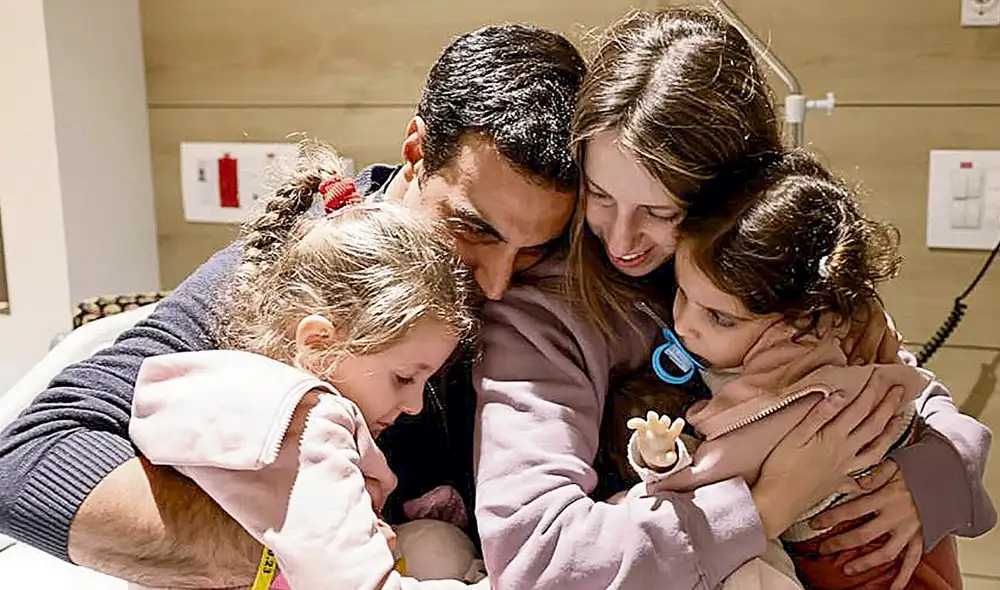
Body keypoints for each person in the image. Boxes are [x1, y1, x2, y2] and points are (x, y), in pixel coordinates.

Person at [0, 24, 583, 588]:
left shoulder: (575, 269)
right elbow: (29, 461)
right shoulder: (297, 271)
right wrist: (294, 562)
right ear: (416, 150)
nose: (498, 285)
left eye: (536, 250)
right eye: (472, 229)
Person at [472, 7, 996, 590]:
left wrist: (928, 481)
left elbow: (911, 396)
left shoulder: (768, 275)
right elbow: (538, 558)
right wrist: (768, 504)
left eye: (660, 212)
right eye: (600, 195)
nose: (620, 241)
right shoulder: (545, 315)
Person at [127, 144, 487, 589]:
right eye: (404, 378)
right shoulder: (309, 426)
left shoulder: (228, 388)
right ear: (317, 343)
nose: (414, 405)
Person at [617, 149, 977, 590]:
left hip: (866, 557)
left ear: (803, 320)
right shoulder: (818, 332)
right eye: (681, 293)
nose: (684, 324)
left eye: (720, 318)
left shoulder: (803, 387)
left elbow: (708, 473)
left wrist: (663, 463)